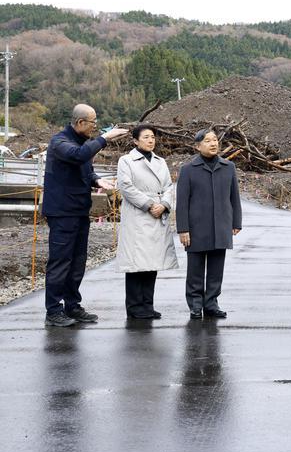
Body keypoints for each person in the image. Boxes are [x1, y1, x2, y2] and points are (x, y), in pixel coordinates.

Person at [42, 104, 129, 327]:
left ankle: (72, 305)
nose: (95, 127)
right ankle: (53, 311)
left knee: (78, 261)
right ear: (80, 123)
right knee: (60, 261)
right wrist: (105, 137)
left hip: (80, 211)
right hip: (62, 212)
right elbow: (78, 156)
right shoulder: (60, 142)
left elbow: (85, 168)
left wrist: (96, 180)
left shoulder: (81, 143)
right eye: (93, 123)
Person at [175, 128, 242, 320]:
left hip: (221, 226)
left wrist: (236, 222)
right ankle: (195, 304)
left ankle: (211, 304)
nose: (213, 144)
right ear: (198, 146)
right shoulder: (188, 170)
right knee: (195, 270)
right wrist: (183, 228)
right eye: (207, 141)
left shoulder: (228, 167)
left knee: (216, 269)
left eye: (215, 140)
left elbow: (234, 198)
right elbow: (182, 202)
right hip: (196, 228)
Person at [115, 125, 179, 319]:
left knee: (152, 261)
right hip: (139, 214)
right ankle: (134, 306)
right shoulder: (126, 161)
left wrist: (165, 204)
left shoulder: (161, 161)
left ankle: (148, 304)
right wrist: (150, 204)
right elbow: (126, 187)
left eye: (152, 137)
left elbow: (169, 186)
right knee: (136, 263)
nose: (151, 140)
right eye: (146, 137)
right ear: (135, 141)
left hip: (158, 214)